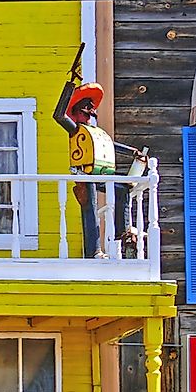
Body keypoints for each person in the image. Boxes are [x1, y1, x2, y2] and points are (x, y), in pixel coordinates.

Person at [54, 54, 140, 261]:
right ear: (77, 110)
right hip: (85, 173)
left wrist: (132, 152)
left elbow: (111, 145)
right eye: (85, 107)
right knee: (90, 209)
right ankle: (93, 250)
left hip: (101, 172)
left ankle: (124, 232)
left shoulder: (96, 132)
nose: (88, 111)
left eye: (90, 108)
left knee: (122, 189)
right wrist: (70, 85)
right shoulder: (76, 129)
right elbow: (58, 115)